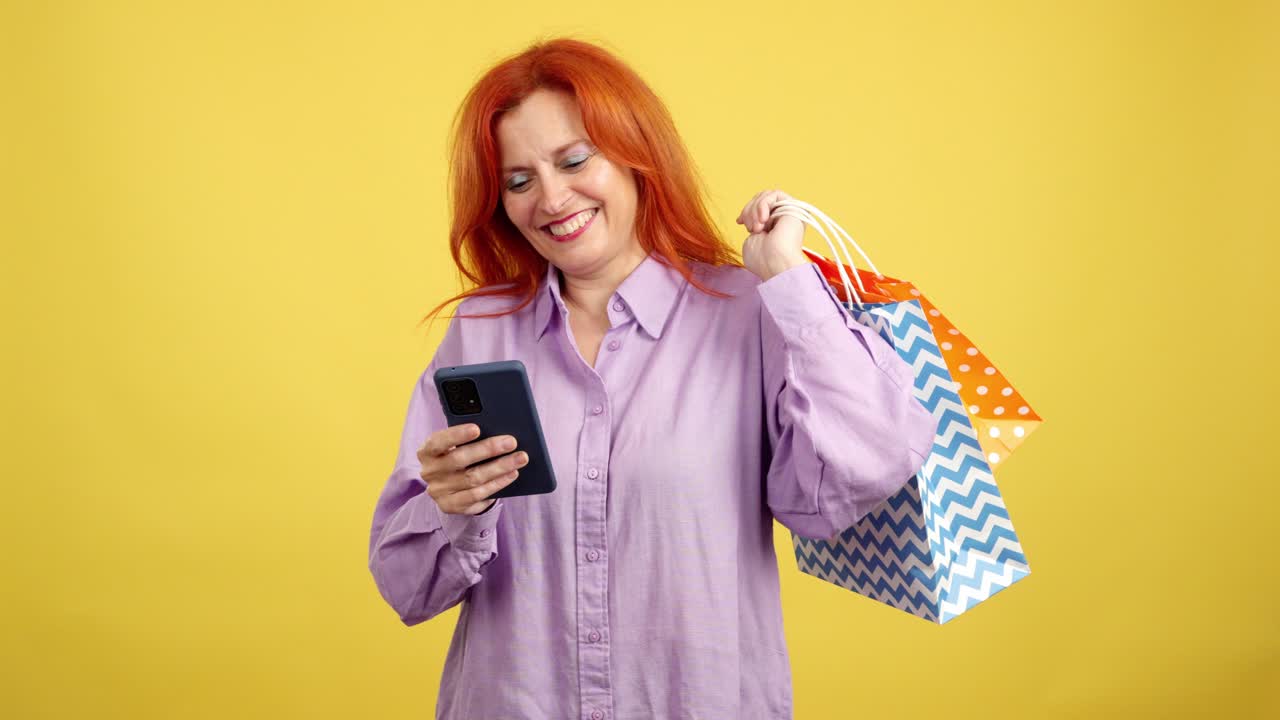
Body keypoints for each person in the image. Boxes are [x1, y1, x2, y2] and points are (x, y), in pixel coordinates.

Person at [367, 36, 938, 720]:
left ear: (637, 156)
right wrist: (453, 507)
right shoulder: (482, 329)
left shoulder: (748, 312)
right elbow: (407, 587)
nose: (551, 198)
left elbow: (865, 468)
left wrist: (790, 282)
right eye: (518, 181)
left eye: (575, 160)